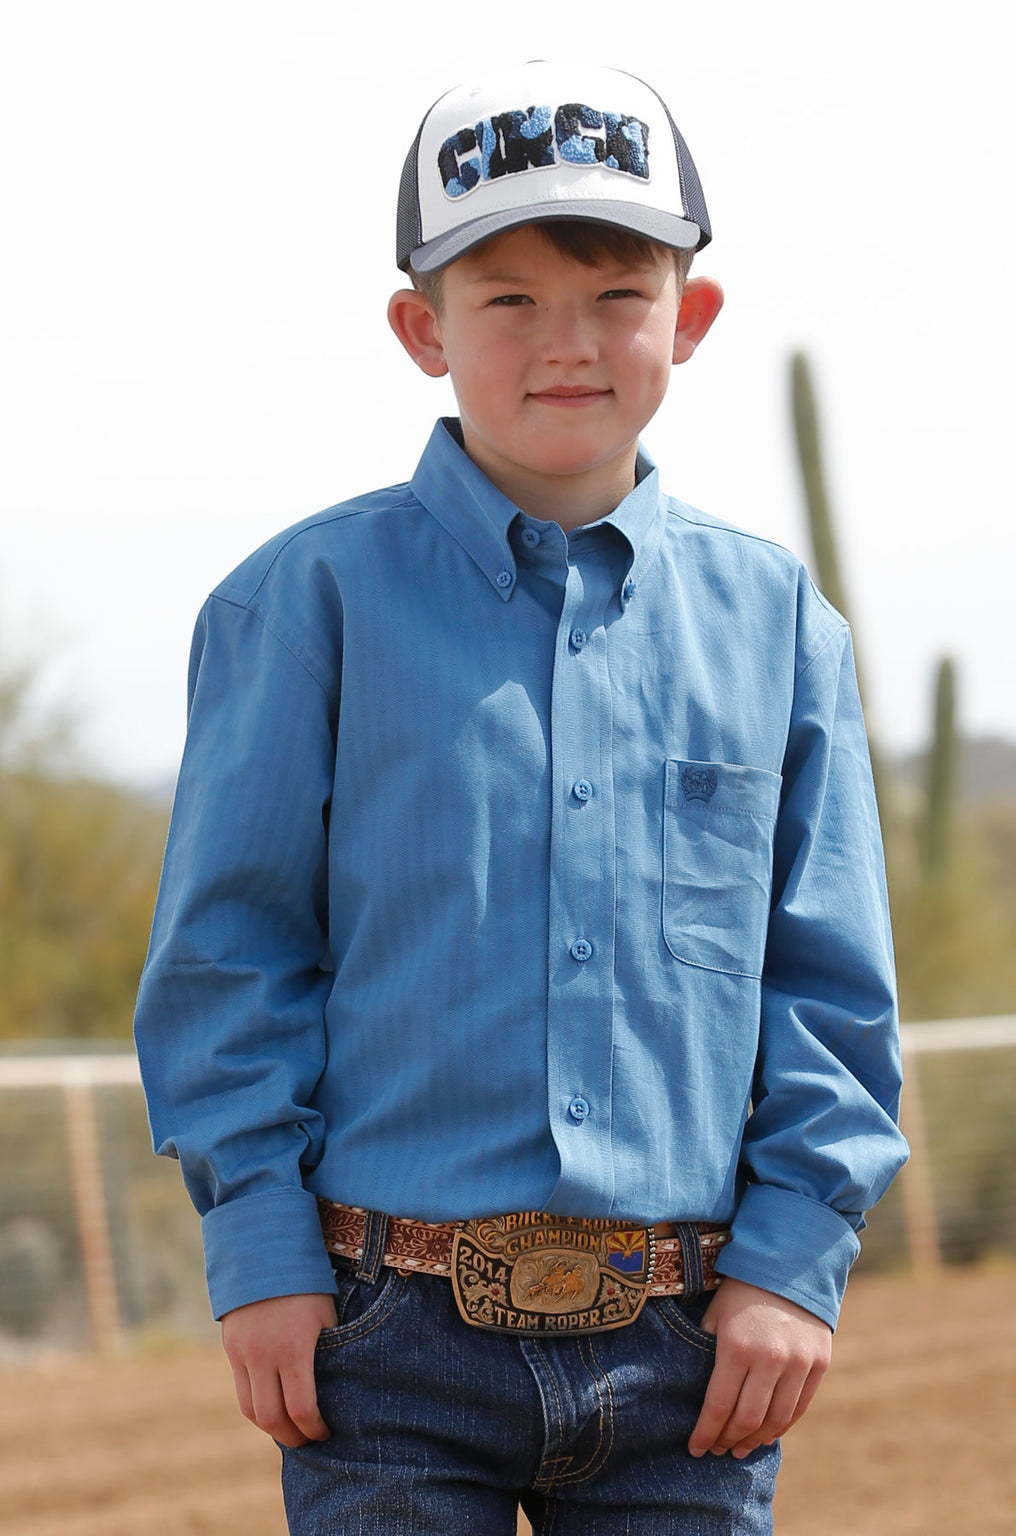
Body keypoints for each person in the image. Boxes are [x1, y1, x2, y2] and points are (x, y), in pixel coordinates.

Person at [134, 59, 908, 1535]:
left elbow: (830, 981)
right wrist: (261, 1251)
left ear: (691, 317)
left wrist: (796, 1253)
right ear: (422, 329)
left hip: (694, 1357)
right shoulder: (303, 606)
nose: (570, 342)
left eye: (619, 294)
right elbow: (228, 960)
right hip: (384, 1345)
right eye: (506, 300)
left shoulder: (779, 622)